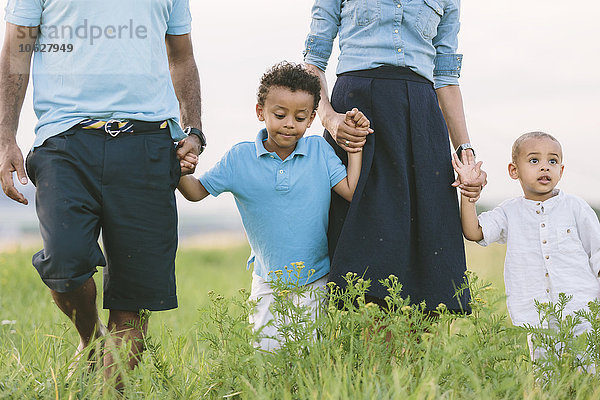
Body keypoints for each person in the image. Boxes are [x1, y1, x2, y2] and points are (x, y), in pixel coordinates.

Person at [0, 0, 204, 387]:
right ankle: (91, 340)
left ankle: (111, 394)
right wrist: (5, 134)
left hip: (148, 141)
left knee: (135, 298)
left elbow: (181, 57)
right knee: (64, 262)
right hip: (65, 141)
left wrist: (193, 129)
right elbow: (16, 50)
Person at [303, 0, 485, 312]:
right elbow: (313, 63)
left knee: (425, 246)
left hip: (421, 121)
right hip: (356, 116)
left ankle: (411, 360)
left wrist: (465, 151)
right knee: (363, 250)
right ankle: (358, 358)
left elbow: (445, 78)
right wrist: (330, 119)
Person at [178, 62, 369, 350]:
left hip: (315, 279)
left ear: (312, 118)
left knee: (308, 356)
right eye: (280, 115)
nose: (289, 123)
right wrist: (180, 169)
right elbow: (195, 192)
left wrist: (355, 148)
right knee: (266, 356)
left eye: (300, 116)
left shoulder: (319, 150)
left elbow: (352, 191)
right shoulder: (239, 159)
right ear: (260, 112)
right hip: (267, 282)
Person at [454, 132, 600, 361]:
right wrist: (468, 194)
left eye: (552, 161)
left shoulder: (576, 207)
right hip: (536, 314)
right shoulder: (509, 212)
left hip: (581, 309)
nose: (545, 168)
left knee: (588, 369)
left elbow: (597, 251)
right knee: (546, 374)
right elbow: (474, 232)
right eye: (534, 161)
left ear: (561, 171)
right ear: (514, 170)